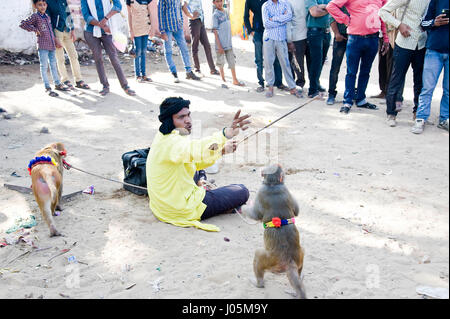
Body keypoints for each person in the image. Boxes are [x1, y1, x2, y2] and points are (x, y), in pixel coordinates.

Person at [146, 97, 251, 231]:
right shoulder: (172, 142)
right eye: (181, 117)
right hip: (179, 208)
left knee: (198, 170)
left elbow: (195, 159)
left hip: (162, 206)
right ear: (169, 120)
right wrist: (225, 134)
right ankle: (205, 192)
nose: (188, 120)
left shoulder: (165, 136)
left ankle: (201, 183)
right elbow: (198, 149)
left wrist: (222, 151)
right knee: (241, 191)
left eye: (188, 115)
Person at [327, 0, 390, 114]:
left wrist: (386, 38)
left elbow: (383, 16)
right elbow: (331, 6)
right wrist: (345, 19)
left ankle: (361, 99)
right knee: (351, 72)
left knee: (365, 71)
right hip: (355, 38)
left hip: (373, 38)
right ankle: (348, 101)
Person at [379, 0, 430, 127]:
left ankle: (417, 113)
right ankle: (391, 113)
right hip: (404, 43)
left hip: (422, 44)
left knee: (420, 81)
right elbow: (383, 11)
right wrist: (399, 25)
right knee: (396, 79)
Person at [81, 0, 136, 96]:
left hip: (108, 30)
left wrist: (106, 19)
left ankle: (125, 85)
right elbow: (86, 16)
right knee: (98, 59)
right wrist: (100, 24)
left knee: (114, 58)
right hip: (91, 31)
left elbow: (118, 6)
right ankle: (105, 85)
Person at [411, 0, 449, 134]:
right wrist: (435, 22)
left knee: (448, 89)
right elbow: (423, 22)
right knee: (427, 88)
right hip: (434, 50)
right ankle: (421, 118)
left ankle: (444, 119)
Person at [20, 0, 70, 97]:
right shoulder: (35, 16)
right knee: (44, 67)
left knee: (53, 65)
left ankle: (57, 84)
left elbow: (50, 30)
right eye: (39, 5)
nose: (42, 7)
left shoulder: (47, 17)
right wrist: (35, 30)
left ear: (46, 5)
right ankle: (47, 87)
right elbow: (23, 24)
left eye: (44, 4)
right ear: (35, 6)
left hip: (51, 45)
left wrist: (55, 40)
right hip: (43, 46)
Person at [262, 0, 303, 98]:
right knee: (268, 62)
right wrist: (282, 20)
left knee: (285, 63)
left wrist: (274, 18)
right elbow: (266, 24)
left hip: (281, 38)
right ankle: (270, 86)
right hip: (269, 38)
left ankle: (292, 87)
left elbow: (289, 17)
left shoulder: (285, 4)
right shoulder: (266, 5)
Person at [46, 0, 90, 90]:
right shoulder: (48, 2)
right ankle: (65, 80)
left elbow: (68, 14)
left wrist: (72, 29)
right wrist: (54, 37)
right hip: (57, 31)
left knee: (74, 56)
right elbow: (48, 21)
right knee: (60, 58)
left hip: (67, 30)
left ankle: (78, 80)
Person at [244, 0, 287, 93]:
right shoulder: (249, 1)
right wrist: (251, 31)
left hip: (271, 30)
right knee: (259, 59)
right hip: (258, 32)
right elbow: (245, 16)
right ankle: (261, 83)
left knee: (275, 57)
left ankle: (278, 82)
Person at [158, 0, 201, 83]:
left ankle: (188, 71)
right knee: (168, 51)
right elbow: (160, 14)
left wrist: (181, 22)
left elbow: (180, 9)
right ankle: (174, 73)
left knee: (184, 49)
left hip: (178, 27)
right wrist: (162, 31)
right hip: (167, 28)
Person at [182, 0, 220, 76]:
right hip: (194, 22)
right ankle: (197, 69)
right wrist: (190, 16)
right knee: (195, 46)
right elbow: (183, 5)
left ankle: (212, 69)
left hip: (201, 21)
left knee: (207, 45)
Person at [212, 0, 244, 86]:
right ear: (214, 3)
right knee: (221, 62)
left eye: (220, 1)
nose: (219, 3)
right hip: (220, 44)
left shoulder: (226, 11)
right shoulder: (215, 15)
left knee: (232, 61)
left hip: (228, 43)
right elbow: (215, 31)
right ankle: (223, 79)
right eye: (217, 1)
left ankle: (235, 80)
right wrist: (219, 45)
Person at [305, 0, 331, 99]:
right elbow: (314, 13)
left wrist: (323, 7)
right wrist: (329, 9)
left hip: (327, 32)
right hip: (314, 32)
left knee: (321, 61)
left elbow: (336, 7)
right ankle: (312, 90)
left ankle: (316, 83)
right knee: (315, 61)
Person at [126, 0, 153, 83]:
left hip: (145, 27)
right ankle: (138, 75)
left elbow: (150, 13)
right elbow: (129, 15)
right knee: (137, 52)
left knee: (144, 51)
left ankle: (144, 75)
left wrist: (151, 27)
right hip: (136, 28)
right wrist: (131, 30)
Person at [326, 5, 348, 105]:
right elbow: (332, 17)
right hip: (340, 37)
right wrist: (337, 34)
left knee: (352, 68)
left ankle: (350, 94)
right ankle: (331, 94)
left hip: (354, 36)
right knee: (335, 67)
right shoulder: (339, 2)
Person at [286, 0, 308, 92]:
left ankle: (312, 84)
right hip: (296, 36)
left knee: (307, 62)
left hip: (308, 34)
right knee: (296, 62)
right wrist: (289, 40)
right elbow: (288, 22)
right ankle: (297, 84)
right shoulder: (287, 2)